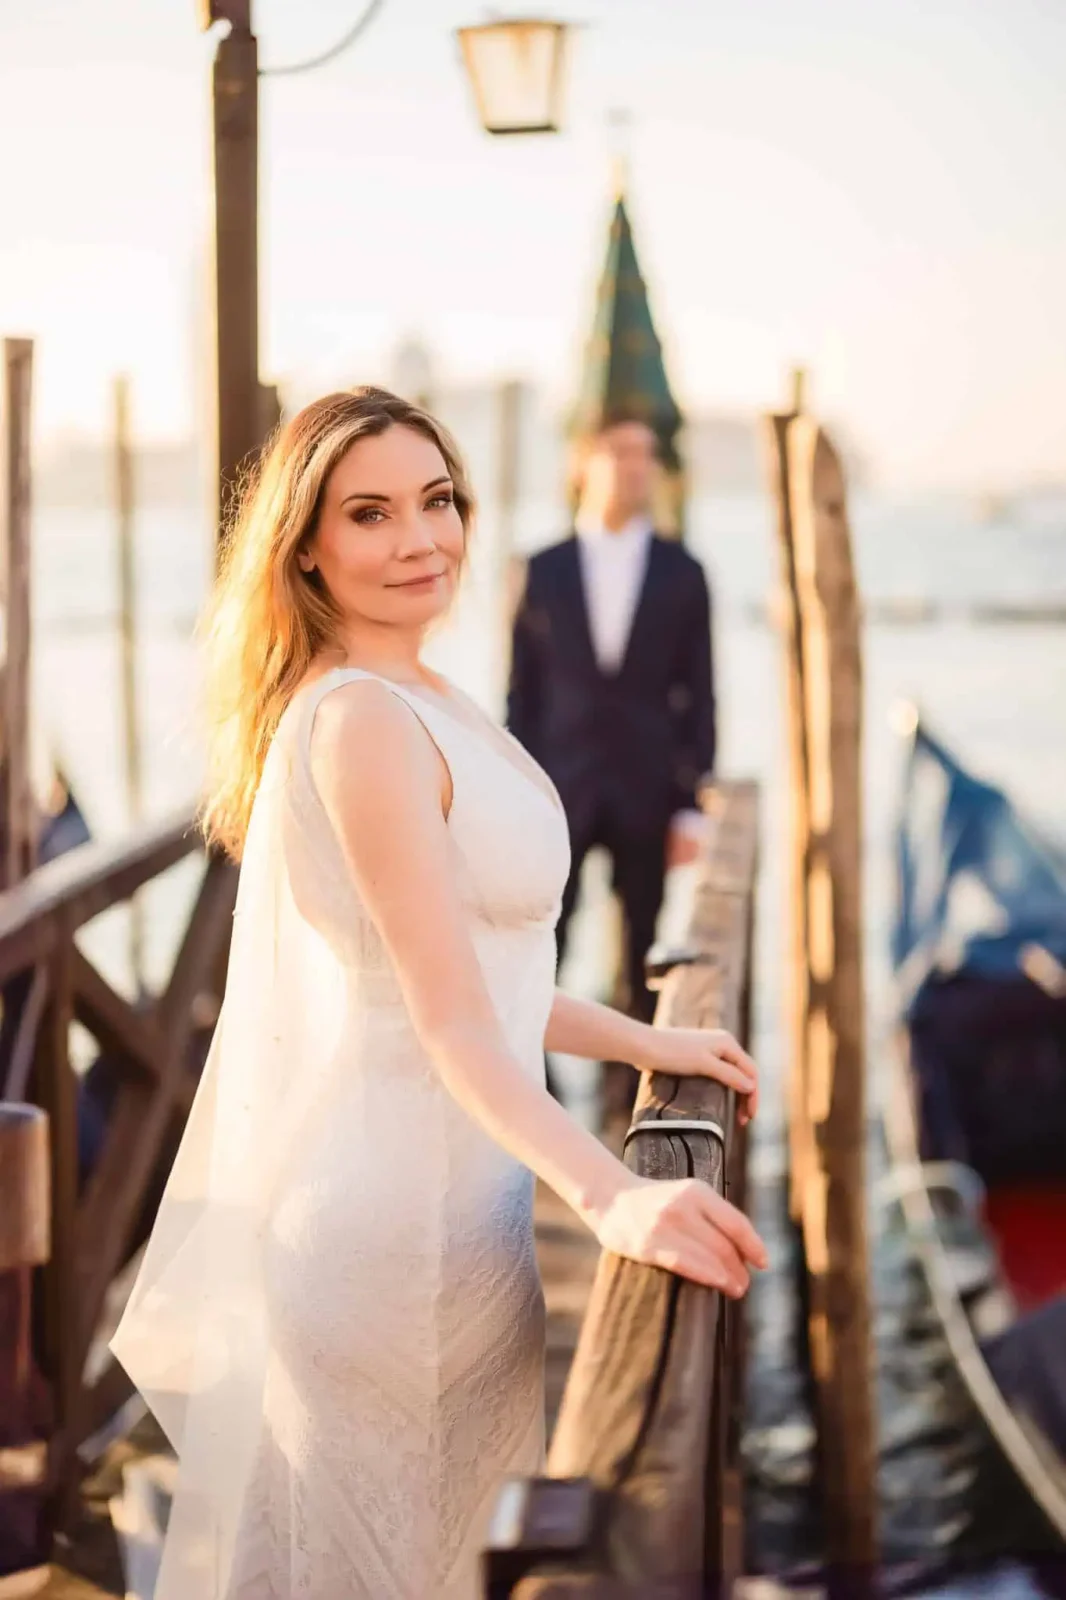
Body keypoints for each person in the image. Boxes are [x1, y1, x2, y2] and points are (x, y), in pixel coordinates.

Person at [110, 388, 763, 1600]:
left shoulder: (423, 692)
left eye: (438, 500)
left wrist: (650, 1038)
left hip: (468, 1220)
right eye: (370, 513)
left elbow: (480, 967)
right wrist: (614, 1195)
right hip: (384, 1243)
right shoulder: (361, 719)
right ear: (306, 544)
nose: (421, 538)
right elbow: (444, 1015)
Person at [507, 417, 717, 1098]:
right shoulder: (543, 569)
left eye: (647, 456)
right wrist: (513, 794)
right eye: (622, 453)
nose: (637, 467)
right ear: (584, 465)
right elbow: (522, 696)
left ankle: (630, 1096)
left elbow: (702, 695)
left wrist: (690, 807)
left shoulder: (684, 573)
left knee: (640, 946)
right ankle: (534, 1085)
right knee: (539, 941)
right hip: (556, 791)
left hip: (647, 789)